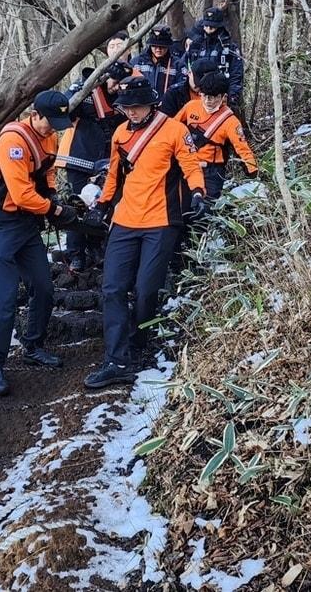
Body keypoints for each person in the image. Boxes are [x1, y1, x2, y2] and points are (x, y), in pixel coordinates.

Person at [85, 76, 207, 388]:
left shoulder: (175, 130)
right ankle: (116, 360)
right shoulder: (120, 134)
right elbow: (113, 175)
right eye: (127, 108)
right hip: (125, 220)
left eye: (137, 107)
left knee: (146, 289)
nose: (132, 113)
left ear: (151, 104)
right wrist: (102, 204)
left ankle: (139, 342)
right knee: (112, 288)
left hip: (161, 222)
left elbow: (192, 167)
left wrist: (197, 193)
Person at [0, 90, 77, 396]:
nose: (55, 128)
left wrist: (53, 196)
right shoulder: (13, 141)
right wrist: (55, 210)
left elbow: (47, 175)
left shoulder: (51, 138)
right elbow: (19, 193)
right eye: (51, 122)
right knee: (6, 297)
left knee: (44, 287)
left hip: (26, 223)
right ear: (36, 115)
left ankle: (33, 346)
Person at [61, 47, 126, 271]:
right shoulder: (86, 92)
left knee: (104, 205)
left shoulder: (124, 98)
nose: (117, 87)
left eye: (120, 83)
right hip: (80, 158)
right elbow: (66, 110)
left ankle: (99, 249)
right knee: (77, 205)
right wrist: (79, 91)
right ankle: (75, 254)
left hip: (109, 161)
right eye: (114, 82)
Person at [173, 71, 257, 199]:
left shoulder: (230, 121)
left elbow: (242, 147)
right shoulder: (191, 107)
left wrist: (252, 170)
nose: (208, 101)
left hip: (211, 172)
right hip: (187, 166)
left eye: (213, 97)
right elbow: (172, 129)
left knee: (205, 212)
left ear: (223, 96)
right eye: (204, 95)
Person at [184, 6, 245, 107]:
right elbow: (184, 67)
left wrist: (232, 98)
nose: (208, 29)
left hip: (220, 99)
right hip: (196, 97)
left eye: (212, 27)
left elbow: (236, 74)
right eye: (206, 26)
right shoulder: (195, 45)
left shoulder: (229, 47)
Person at [132, 25, 184, 96]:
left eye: (162, 46)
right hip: (143, 104)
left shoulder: (177, 64)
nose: (158, 49)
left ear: (168, 45)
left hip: (167, 105)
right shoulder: (136, 63)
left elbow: (182, 86)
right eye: (154, 46)